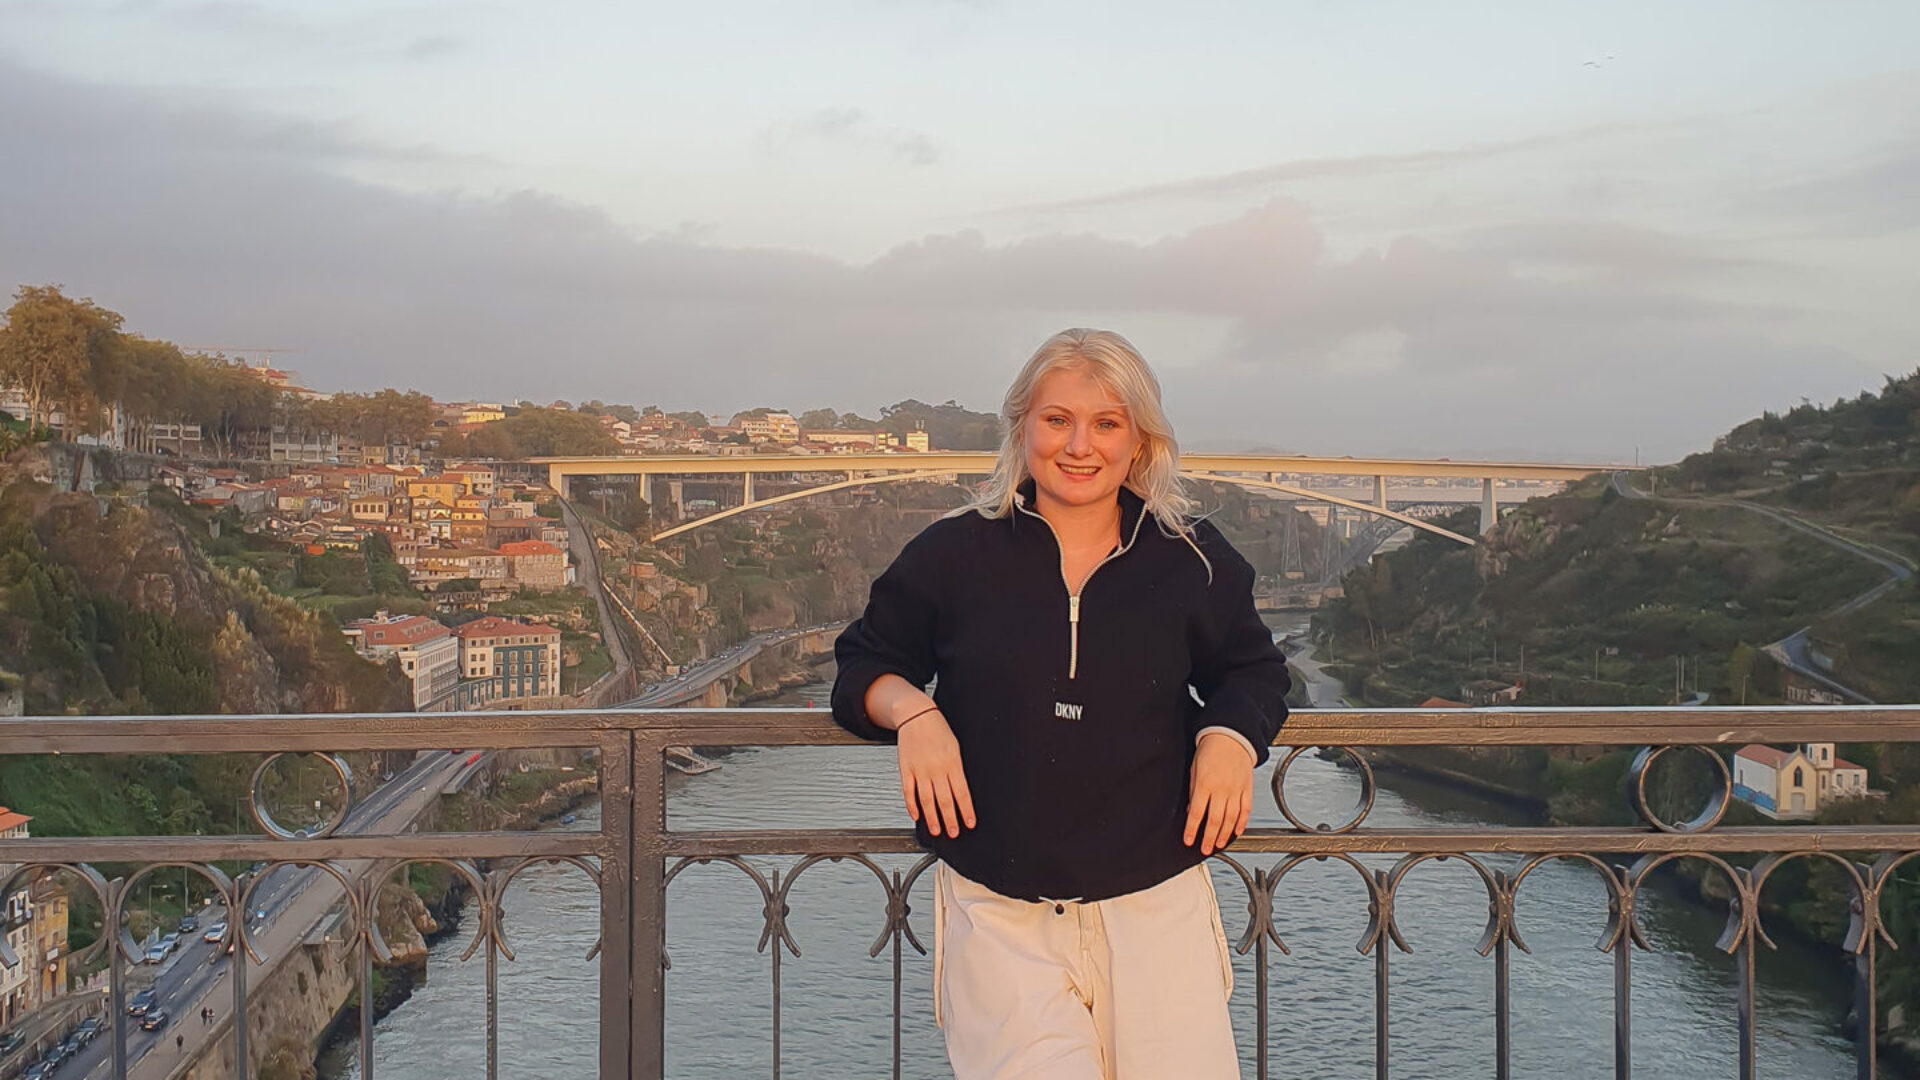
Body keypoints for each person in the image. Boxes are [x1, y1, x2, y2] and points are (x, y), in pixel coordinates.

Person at [832, 328, 1291, 1080]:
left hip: (1155, 905)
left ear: (1139, 441)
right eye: (1057, 420)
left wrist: (1229, 737)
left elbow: (1256, 671)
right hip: (1000, 912)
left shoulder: (1193, 557)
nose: (1079, 446)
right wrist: (913, 714)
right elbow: (864, 663)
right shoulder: (954, 555)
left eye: (1107, 423)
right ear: (1022, 427)